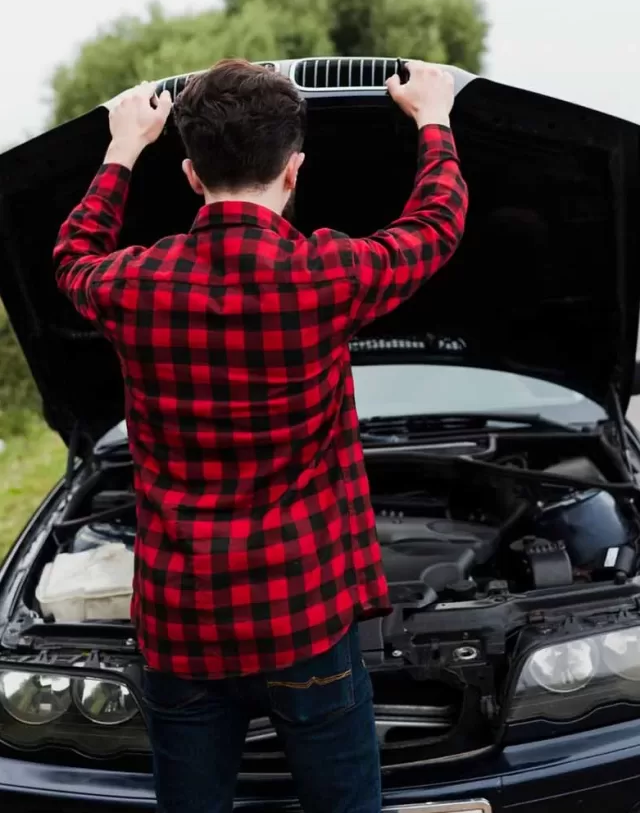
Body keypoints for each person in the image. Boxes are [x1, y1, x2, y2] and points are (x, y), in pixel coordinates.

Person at [53, 58, 468, 813]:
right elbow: (435, 226)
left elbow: (72, 255)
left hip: (184, 625)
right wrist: (433, 120)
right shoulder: (325, 275)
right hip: (305, 619)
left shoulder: (132, 285)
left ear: (188, 174)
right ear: (295, 171)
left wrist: (121, 148)